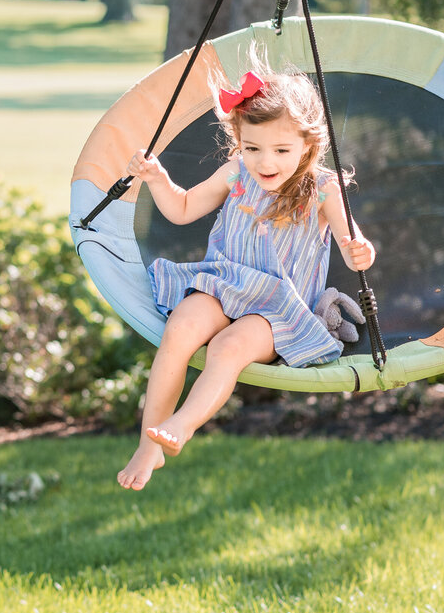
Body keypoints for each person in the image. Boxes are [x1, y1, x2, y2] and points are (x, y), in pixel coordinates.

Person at [117, 66, 376, 491]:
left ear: (308, 144)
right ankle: (148, 444)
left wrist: (359, 251)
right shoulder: (237, 171)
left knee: (228, 347)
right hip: (224, 283)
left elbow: (354, 245)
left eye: (280, 150)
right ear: (239, 142)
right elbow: (182, 210)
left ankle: (181, 426)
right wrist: (159, 181)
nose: (265, 162)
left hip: (279, 309)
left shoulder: (324, 188)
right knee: (180, 328)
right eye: (253, 147)